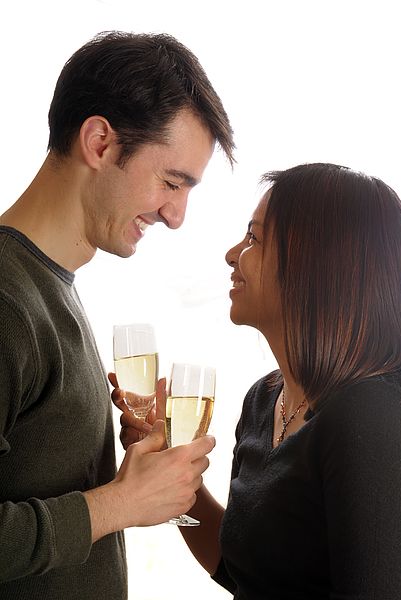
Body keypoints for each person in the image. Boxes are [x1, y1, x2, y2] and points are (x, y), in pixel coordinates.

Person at [117, 162, 401, 599]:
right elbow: (239, 570)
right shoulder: (264, 400)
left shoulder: (370, 418)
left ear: (317, 262)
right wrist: (174, 475)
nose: (233, 253)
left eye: (254, 238)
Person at [0, 31, 235, 599]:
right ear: (101, 142)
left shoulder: (50, 287)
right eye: (171, 181)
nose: (176, 215)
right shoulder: (8, 300)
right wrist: (123, 502)